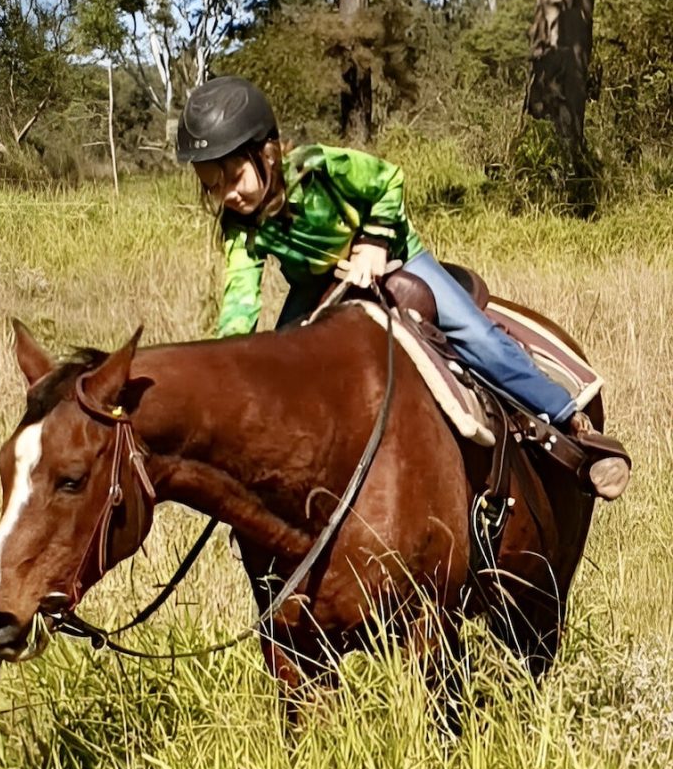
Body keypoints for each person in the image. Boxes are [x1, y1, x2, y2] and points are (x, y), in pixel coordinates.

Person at [176, 75, 629, 500]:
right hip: (321, 281)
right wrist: (222, 365)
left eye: (232, 178)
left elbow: (387, 180)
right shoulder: (240, 227)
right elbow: (239, 298)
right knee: (285, 363)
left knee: (475, 336)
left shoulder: (316, 167)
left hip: (395, 252)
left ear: (268, 153)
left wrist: (373, 243)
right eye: (213, 187)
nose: (228, 195)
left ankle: (568, 418)